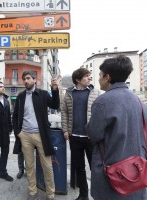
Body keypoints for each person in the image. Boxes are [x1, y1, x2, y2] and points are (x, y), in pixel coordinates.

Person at [85, 55, 147, 200]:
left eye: (100, 75)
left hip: (113, 175)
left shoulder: (102, 102)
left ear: (107, 77)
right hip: (136, 172)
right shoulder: (138, 101)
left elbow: (94, 134)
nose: (98, 79)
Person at [13, 71, 60, 200]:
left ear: (34, 80)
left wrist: (55, 90)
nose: (26, 81)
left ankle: (50, 194)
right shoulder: (20, 96)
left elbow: (55, 105)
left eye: (28, 78)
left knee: (47, 166)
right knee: (29, 166)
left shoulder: (43, 94)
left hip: (41, 135)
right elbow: (15, 115)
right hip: (25, 135)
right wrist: (18, 132)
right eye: (24, 79)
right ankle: (32, 192)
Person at [61, 68, 100, 200]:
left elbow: (100, 114)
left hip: (90, 138)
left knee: (95, 167)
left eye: (90, 75)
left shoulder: (95, 93)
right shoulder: (69, 94)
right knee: (79, 168)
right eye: (86, 76)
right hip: (74, 137)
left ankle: (98, 194)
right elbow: (64, 112)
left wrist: (95, 131)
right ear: (78, 79)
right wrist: (65, 130)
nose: (90, 78)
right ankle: (83, 195)